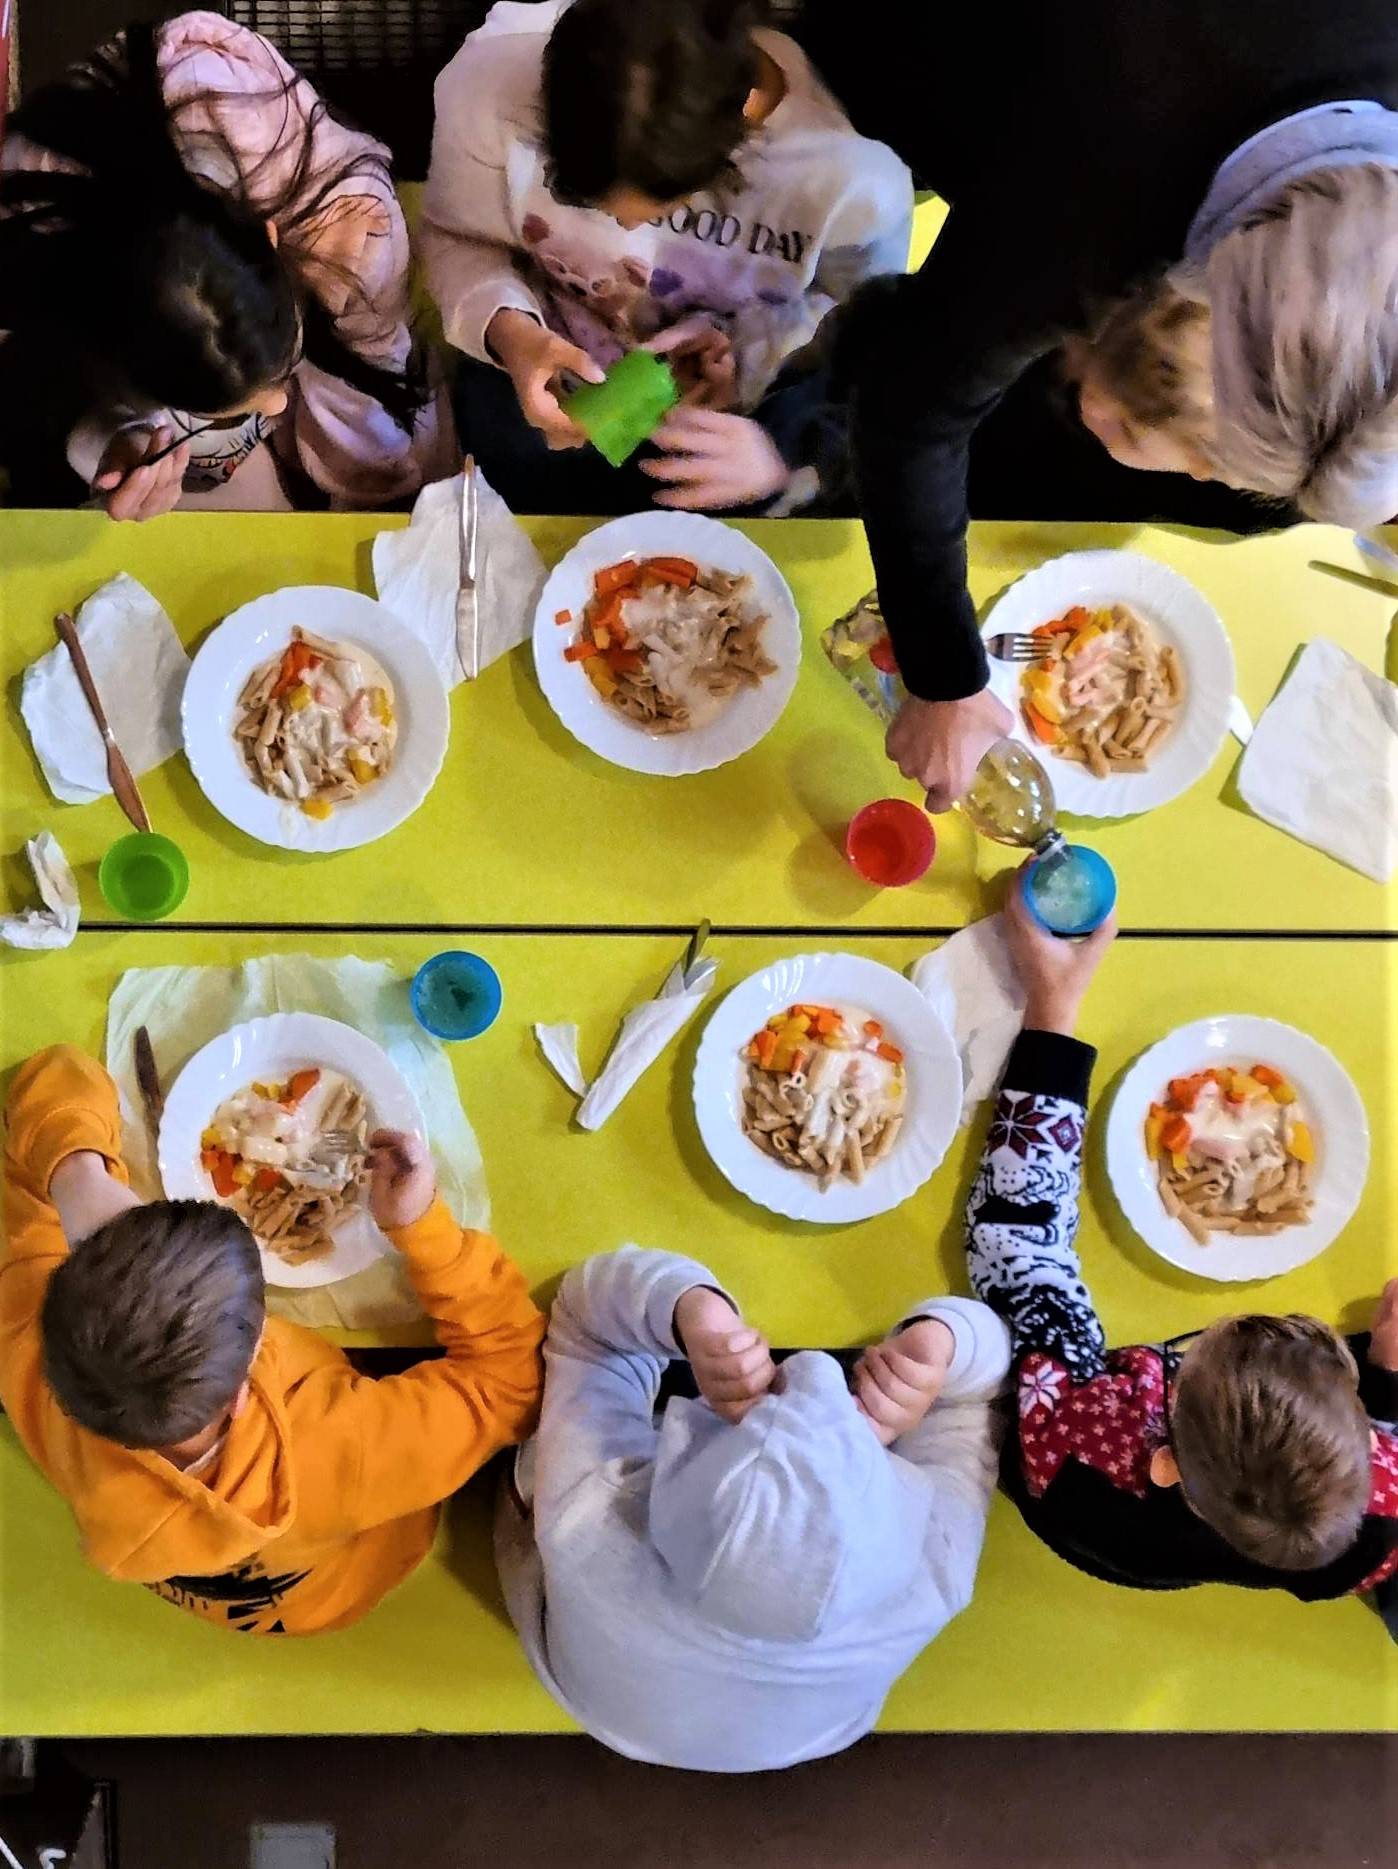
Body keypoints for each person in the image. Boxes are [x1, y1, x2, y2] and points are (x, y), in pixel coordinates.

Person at [790, 0, 1398, 810]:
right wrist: (943, 678)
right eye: (1203, 458)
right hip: (981, 55)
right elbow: (912, 407)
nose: (1200, 479)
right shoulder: (1093, 198)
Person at [964, 879, 1398, 1621]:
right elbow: (1355, 1559)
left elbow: (1019, 1235)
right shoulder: (1365, 1530)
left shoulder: (1074, 1444)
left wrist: (1053, 1012)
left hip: (1086, 1517)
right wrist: (1390, 1385)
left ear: (1166, 1455)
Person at [0, 1046, 544, 1635]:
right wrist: (422, 1228)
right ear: (247, 1377)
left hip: (182, 1564)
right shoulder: (352, 1446)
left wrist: (75, 1174)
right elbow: (515, 1380)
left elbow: (51, 1076)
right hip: (342, 1577)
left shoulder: (24, 1348)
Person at [494, 1244, 1011, 1771]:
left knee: (537, 1461)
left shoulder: (586, 1529)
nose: (811, 1367)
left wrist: (690, 1309)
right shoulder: (940, 1569)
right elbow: (985, 1388)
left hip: (589, 1688)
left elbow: (584, 1325)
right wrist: (943, 1344)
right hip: (804, 1737)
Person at [420, 0, 911, 515]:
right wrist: (512, 334)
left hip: (743, 422)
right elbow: (458, 238)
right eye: (590, 206)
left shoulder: (854, 178)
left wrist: (753, 375)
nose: (627, 231)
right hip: (534, 380)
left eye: (659, 207)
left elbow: (864, 337)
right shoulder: (489, 90)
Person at [0, 13, 447, 519]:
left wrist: (330, 305)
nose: (276, 405)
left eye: (279, 372)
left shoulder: (353, 223)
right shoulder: (29, 234)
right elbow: (38, 386)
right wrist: (111, 440)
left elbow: (374, 417)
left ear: (269, 235)